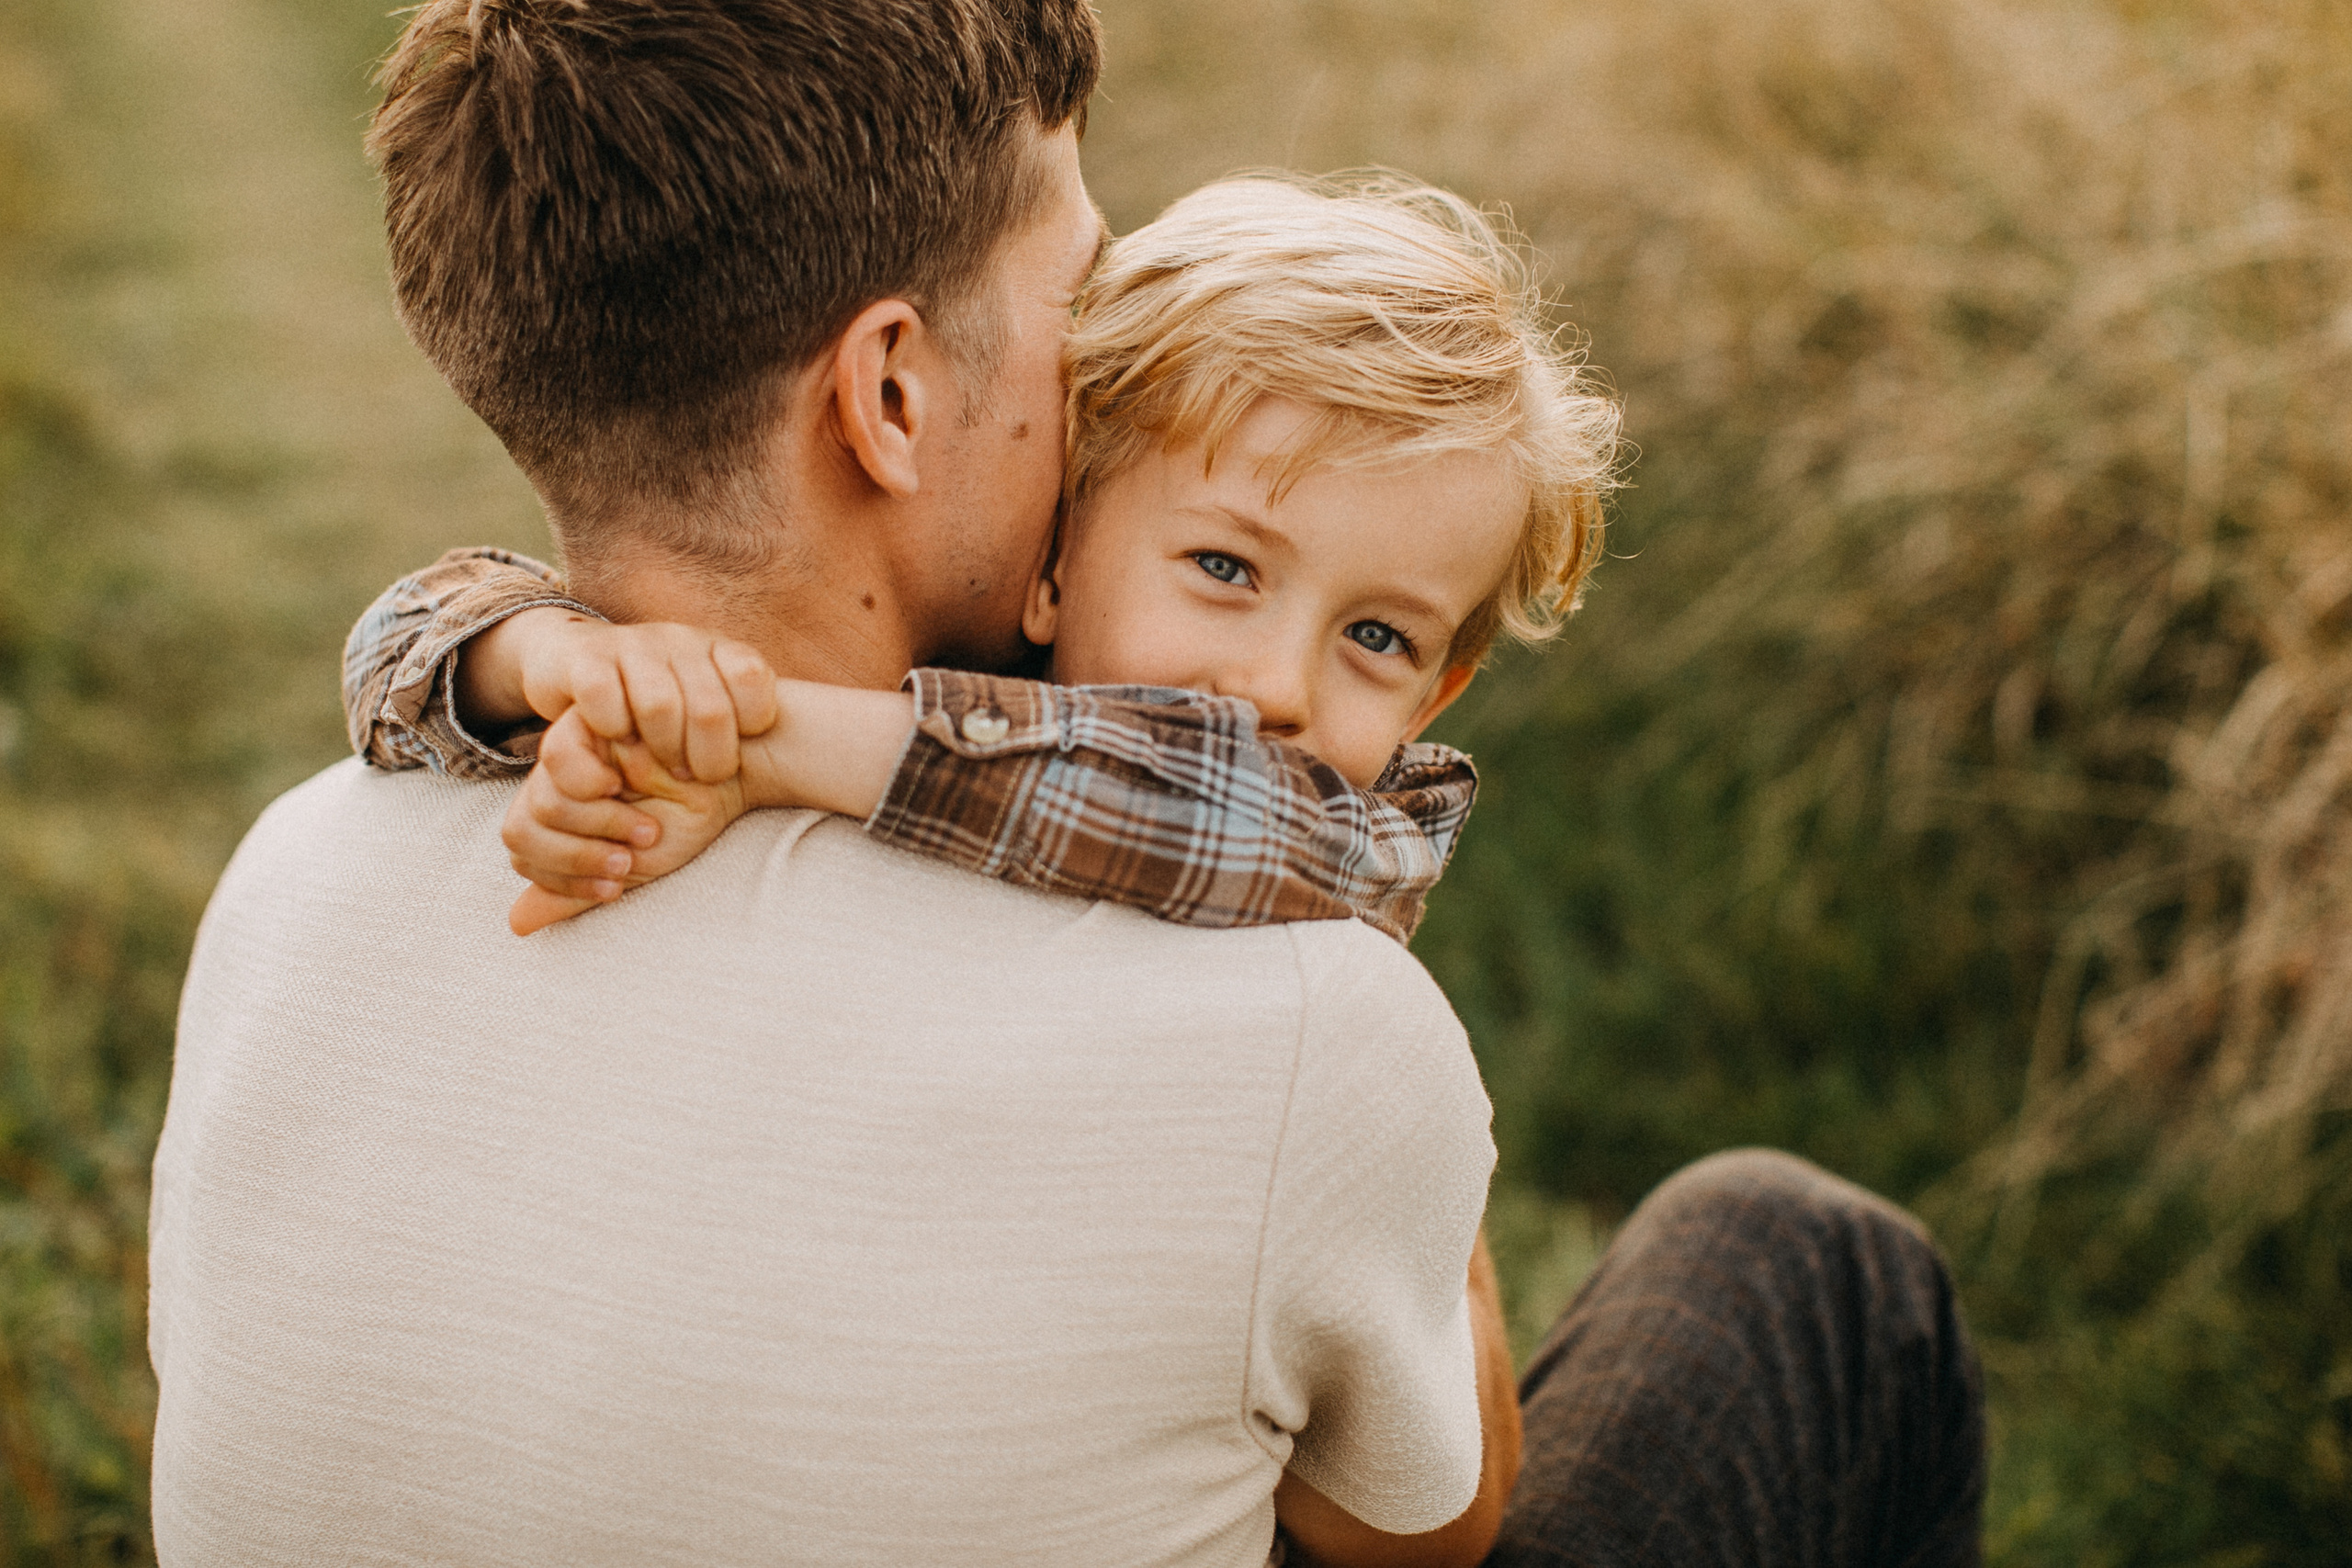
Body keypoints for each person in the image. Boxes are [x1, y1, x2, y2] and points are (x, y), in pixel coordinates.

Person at [149, 5, 1985, 1567]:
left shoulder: (294, 870)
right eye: (1078, 298)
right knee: (1808, 1267)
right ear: (887, 394)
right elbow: (1424, 1533)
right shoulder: (1294, 1025)